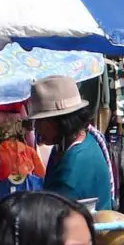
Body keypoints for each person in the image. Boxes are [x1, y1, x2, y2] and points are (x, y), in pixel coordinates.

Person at [29, 75, 114, 211]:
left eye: (41, 121)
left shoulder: (71, 171)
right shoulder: (81, 142)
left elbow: (50, 218)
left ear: (59, 121)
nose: (37, 128)